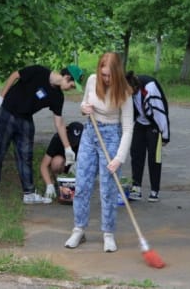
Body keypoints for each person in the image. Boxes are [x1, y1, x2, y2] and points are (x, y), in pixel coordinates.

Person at [0, 64, 84, 205]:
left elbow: (59, 123)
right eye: (72, 86)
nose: (71, 89)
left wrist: (68, 148)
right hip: (8, 111)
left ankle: (29, 193)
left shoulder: (58, 97)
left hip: (25, 118)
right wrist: (1, 97)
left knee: (26, 156)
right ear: (67, 77)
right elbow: (15, 75)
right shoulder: (39, 71)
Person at [64, 52, 134, 253]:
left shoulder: (125, 93)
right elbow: (84, 105)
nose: (106, 79)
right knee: (82, 183)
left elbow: (128, 128)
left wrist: (119, 159)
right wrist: (83, 108)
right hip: (90, 133)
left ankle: (108, 234)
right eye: (103, 74)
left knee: (108, 188)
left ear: (117, 74)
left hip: (112, 137)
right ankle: (79, 229)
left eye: (110, 75)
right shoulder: (93, 81)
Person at [125, 71, 170, 202]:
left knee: (154, 158)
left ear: (133, 86)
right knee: (136, 154)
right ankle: (136, 188)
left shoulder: (149, 87)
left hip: (154, 125)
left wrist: (165, 135)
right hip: (140, 122)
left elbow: (160, 112)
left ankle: (154, 190)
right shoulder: (129, 92)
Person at [40, 121, 84, 201]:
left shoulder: (85, 143)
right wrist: (49, 184)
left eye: (77, 141)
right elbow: (44, 165)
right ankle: (57, 183)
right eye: (71, 139)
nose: (73, 144)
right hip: (62, 165)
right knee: (57, 162)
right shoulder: (57, 139)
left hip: (76, 167)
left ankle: (77, 187)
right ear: (66, 133)